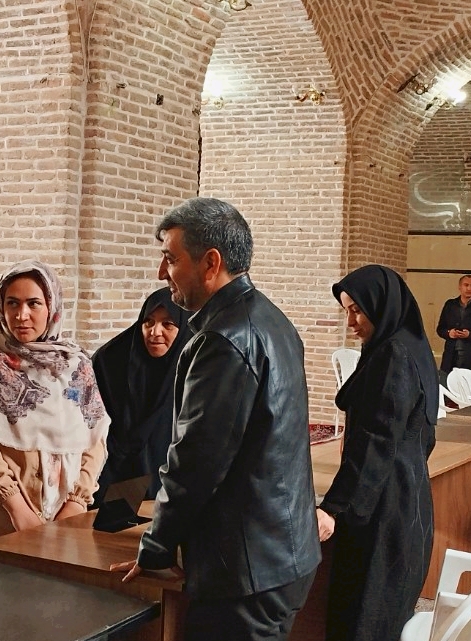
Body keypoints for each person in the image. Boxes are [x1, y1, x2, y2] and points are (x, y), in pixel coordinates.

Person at [111, 197, 321, 641]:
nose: (161, 272)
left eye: (171, 258)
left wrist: (156, 547)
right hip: (279, 554)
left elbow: (196, 462)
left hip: (245, 569)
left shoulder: (224, 339)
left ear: (211, 263)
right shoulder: (270, 317)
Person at [0, 260, 110, 555]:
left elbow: (95, 438)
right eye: (12, 303)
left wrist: (77, 500)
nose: (21, 315)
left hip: (65, 516)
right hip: (4, 516)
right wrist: (17, 508)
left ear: (51, 307)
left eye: (34, 303)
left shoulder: (75, 363)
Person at [316, 265, 438, 641]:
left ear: (381, 305)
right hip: (407, 501)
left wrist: (333, 507)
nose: (351, 321)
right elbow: (422, 436)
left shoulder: (393, 355)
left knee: (365, 618)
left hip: (385, 512)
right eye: (347, 310)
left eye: (357, 310)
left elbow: (376, 441)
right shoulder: (409, 346)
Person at [91, 287, 192, 503]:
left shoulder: (195, 369)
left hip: (173, 484)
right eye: (148, 322)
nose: (154, 332)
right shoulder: (112, 361)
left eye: (168, 324)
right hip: (113, 474)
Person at [436, 274, 471, 378]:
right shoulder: (450, 305)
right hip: (450, 356)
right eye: (466, 285)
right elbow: (440, 329)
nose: (469, 288)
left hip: (468, 355)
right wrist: (449, 333)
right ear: (460, 287)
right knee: (446, 382)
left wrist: (469, 335)